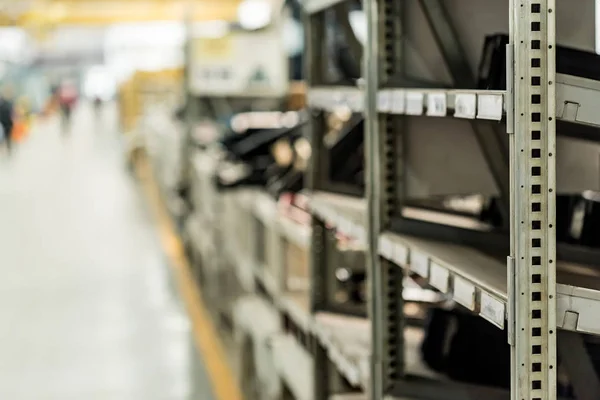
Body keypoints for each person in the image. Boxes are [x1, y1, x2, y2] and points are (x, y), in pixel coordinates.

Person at [0, 87, 14, 154]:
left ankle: (9, 148)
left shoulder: (7, 103)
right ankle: (7, 148)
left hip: (8, 123)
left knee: (8, 137)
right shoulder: (5, 104)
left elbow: (11, 113)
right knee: (6, 137)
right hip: (3, 123)